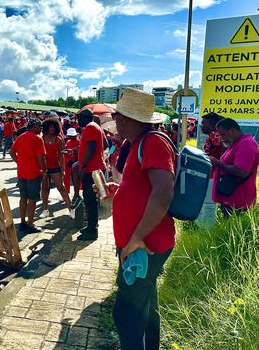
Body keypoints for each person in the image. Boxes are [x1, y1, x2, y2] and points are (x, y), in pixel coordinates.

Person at [98, 89, 175, 350]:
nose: (115, 120)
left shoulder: (153, 142)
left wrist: (137, 238)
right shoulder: (139, 144)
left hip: (145, 245)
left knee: (127, 315)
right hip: (141, 242)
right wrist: (119, 191)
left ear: (130, 118)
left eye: (118, 115)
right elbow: (144, 189)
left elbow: (164, 192)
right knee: (146, 307)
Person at [210, 118, 259, 217]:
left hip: (238, 202)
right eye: (219, 135)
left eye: (223, 134)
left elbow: (242, 171)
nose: (221, 138)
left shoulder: (246, 144)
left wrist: (217, 163)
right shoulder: (236, 143)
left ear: (232, 131)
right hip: (230, 199)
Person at [70, 108, 106, 241]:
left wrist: (83, 165)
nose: (78, 120)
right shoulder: (95, 127)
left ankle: (92, 230)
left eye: (79, 117)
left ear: (85, 117)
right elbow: (103, 144)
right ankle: (92, 225)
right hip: (93, 168)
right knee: (92, 200)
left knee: (90, 199)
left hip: (90, 170)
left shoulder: (90, 127)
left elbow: (91, 147)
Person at [10, 118, 46, 233]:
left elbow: (12, 152)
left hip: (22, 172)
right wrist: (44, 171)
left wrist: (19, 162)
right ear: (33, 126)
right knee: (32, 199)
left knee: (23, 197)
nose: (41, 128)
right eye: (40, 126)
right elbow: (41, 157)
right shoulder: (38, 138)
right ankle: (30, 223)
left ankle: (22, 222)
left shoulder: (21, 137)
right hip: (34, 172)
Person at [40, 118, 74, 219]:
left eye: (54, 127)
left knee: (61, 188)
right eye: (50, 126)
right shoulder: (42, 138)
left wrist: (62, 169)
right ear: (46, 127)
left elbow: (61, 155)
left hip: (55, 167)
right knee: (45, 189)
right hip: (44, 167)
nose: (52, 128)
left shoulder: (59, 140)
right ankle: (45, 210)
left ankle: (71, 210)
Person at [63, 127, 79, 193]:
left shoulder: (79, 141)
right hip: (68, 162)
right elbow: (65, 150)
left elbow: (79, 151)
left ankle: (76, 192)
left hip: (75, 162)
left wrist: (72, 151)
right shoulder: (68, 142)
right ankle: (67, 191)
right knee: (66, 177)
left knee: (75, 178)